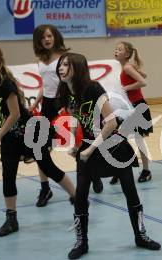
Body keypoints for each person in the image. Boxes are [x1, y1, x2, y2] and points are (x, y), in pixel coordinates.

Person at [55, 53, 160, 259]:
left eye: (66, 64)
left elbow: (111, 123)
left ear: (77, 67)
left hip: (113, 146)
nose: (61, 68)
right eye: (60, 64)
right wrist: (76, 145)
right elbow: (74, 118)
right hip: (88, 148)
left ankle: (141, 235)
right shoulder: (64, 91)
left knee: (131, 192)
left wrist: (89, 149)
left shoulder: (94, 89)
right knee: (81, 197)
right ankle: (81, 242)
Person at [0, 44, 76, 237]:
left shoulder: (5, 84)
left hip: (30, 131)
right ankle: (11, 219)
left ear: (0, 61)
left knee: (47, 167)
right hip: (9, 137)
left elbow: (14, 114)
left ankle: (77, 197)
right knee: (8, 175)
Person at [31, 24, 103, 205]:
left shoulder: (64, 58)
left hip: (63, 102)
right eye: (42, 38)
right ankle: (45, 188)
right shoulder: (40, 59)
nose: (46, 40)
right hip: (47, 104)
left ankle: (91, 173)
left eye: (49, 36)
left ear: (55, 36)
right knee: (41, 148)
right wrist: (37, 99)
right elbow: (45, 83)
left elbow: (71, 79)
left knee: (77, 142)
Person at [110, 42, 154, 184]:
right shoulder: (127, 66)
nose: (116, 51)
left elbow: (143, 82)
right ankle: (119, 168)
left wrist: (126, 87)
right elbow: (145, 75)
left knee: (138, 138)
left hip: (137, 106)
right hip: (128, 107)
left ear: (127, 54)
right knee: (119, 138)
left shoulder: (128, 67)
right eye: (116, 49)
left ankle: (146, 170)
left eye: (120, 50)